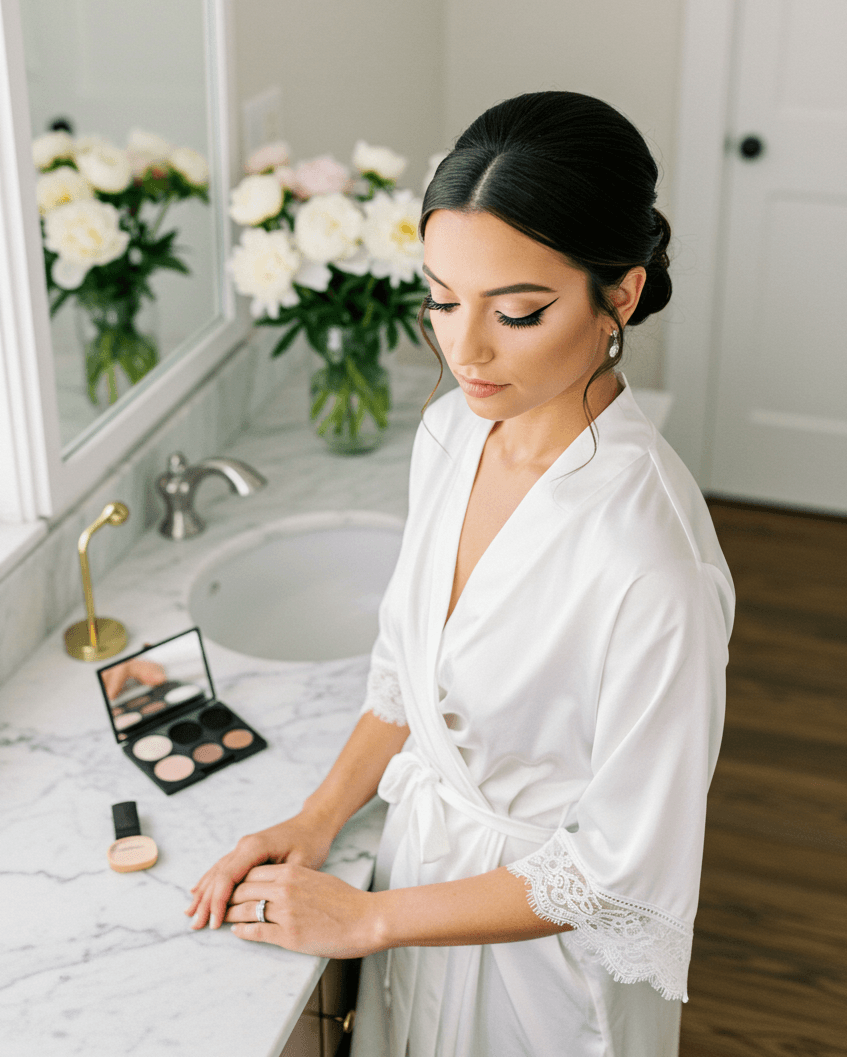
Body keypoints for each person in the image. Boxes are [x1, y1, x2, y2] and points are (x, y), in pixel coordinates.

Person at [186, 92, 734, 1056]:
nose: (464, 350)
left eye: (517, 312)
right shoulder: (451, 434)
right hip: (420, 878)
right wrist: (317, 821)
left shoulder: (654, 563)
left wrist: (369, 922)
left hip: (545, 976)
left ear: (623, 294)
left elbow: (616, 872)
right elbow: (406, 677)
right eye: (441, 299)